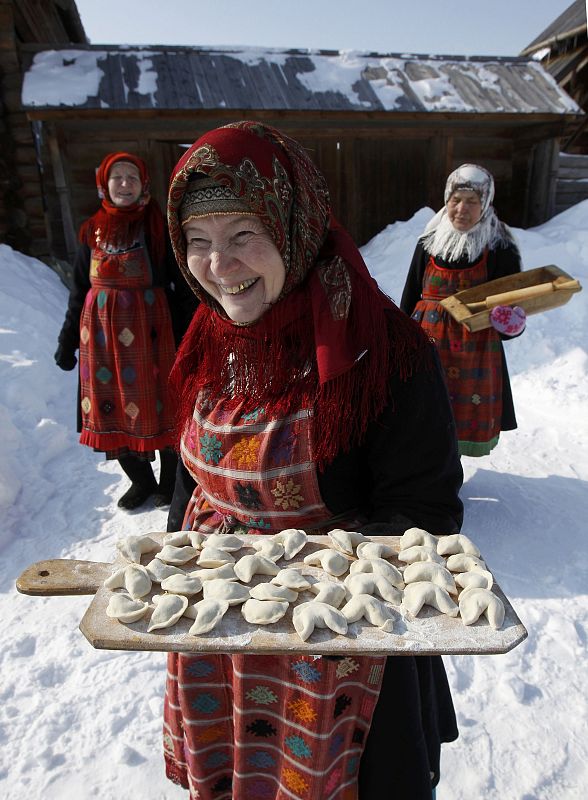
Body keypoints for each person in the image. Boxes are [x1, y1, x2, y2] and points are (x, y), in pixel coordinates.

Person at [163, 121, 464, 800]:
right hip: (221, 639)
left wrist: (294, 575)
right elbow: (189, 474)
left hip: (342, 652)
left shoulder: (385, 355)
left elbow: (428, 517)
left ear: (293, 225)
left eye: (244, 236)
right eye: (199, 244)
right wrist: (177, 561)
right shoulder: (211, 338)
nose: (219, 266)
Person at [54, 152, 196, 509]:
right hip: (101, 346)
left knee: (164, 412)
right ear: (104, 183)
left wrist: (190, 337)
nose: (124, 184)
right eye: (117, 177)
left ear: (143, 184)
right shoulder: (91, 231)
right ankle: (141, 482)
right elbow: (78, 291)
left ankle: (167, 484)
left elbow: (183, 284)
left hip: (153, 339)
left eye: (131, 177)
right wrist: (66, 342)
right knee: (110, 412)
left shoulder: (158, 228)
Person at [401, 164, 526, 457]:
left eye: (472, 201)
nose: (462, 209)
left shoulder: (501, 246)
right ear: (446, 200)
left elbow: (515, 306)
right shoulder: (430, 241)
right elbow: (410, 294)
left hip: (475, 349)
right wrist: (400, 339)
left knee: (459, 417)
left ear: (485, 204)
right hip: (428, 346)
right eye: (456, 200)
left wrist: (510, 322)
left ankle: (448, 478)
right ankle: (426, 475)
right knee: (424, 413)